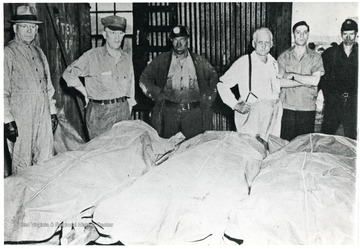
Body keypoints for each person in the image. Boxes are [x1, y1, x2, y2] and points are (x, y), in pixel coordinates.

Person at [4, 5, 58, 174]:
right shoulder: (8, 53)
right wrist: (7, 120)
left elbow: (48, 86)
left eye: (33, 27)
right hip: (21, 118)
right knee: (23, 164)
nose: (29, 31)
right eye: (24, 26)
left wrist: (53, 111)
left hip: (43, 114)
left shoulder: (39, 52)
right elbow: (2, 90)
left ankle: (42, 200)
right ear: (15, 28)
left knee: (45, 159)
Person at [63, 15, 136, 139]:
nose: (117, 37)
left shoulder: (126, 58)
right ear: (104, 34)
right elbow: (68, 74)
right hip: (100, 114)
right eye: (113, 33)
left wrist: (128, 109)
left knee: (121, 154)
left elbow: (131, 88)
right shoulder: (92, 56)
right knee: (100, 154)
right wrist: (85, 93)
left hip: (123, 113)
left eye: (120, 33)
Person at [139, 25, 218, 139]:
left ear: (187, 41)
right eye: (176, 40)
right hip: (169, 114)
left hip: (194, 114)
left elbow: (214, 77)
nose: (179, 44)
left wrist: (208, 97)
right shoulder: (161, 60)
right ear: (171, 41)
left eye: (182, 40)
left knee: (193, 149)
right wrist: (157, 93)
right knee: (168, 149)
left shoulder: (199, 61)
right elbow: (144, 79)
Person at [217, 27, 282, 142]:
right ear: (253, 43)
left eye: (267, 42)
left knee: (270, 150)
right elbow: (222, 84)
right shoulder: (244, 62)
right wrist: (235, 104)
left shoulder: (274, 63)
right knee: (250, 150)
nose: (263, 46)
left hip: (272, 115)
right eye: (260, 42)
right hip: (252, 116)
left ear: (272, 44)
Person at [277, 21, 324, 141]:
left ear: (308, 34)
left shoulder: (316, 57)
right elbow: (280, 82)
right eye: (298, 32)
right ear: (293, 34)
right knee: (287, 146)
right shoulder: (284, 57)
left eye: (305, 32)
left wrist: (292, 75)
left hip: (307, 109)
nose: (301, 35)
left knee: (304, 146)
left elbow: (315, 81)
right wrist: (306, 80)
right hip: (288, 108)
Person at [320, 19, 358, 139]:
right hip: (333, 104)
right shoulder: (330, 54)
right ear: (341, 34)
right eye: (345, 33)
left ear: (356, 34)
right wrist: (329, 97)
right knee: (325, 139)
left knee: (352, 141)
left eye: (351, 33)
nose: (348, 37)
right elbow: (322, 79)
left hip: (353, 105)